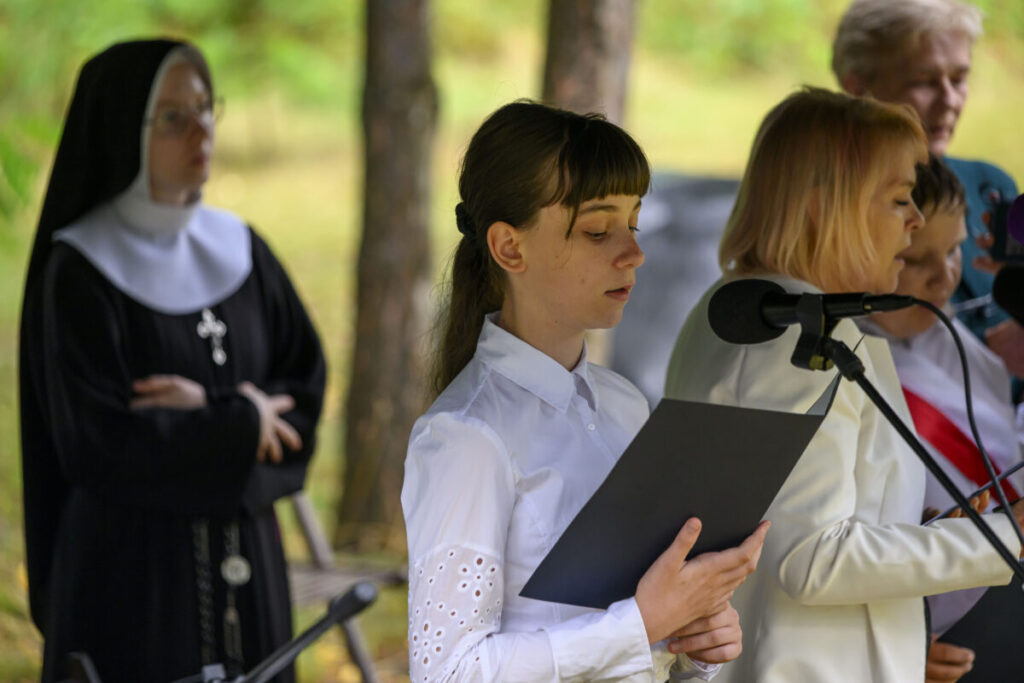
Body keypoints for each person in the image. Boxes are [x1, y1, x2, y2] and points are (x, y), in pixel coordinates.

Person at [663, 87, 1024, 683]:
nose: (912, 222)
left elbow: (798, 523)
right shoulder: (794, 335)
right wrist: (1003, 537)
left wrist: (929, 529)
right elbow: (812, 558)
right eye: (899, 200)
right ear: (821, 206)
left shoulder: (745, 309)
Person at [401, 100, 770, 682]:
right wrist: (642, 625)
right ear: (509, 247)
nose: (634, 253)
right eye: (599, 230)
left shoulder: (624, 405)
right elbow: (448, 672)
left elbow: (641, 650)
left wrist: (691, 646)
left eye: (634, 224)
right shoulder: (466, 436)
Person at [18, 39, 326, 682]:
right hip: (133, 585)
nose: (201, 130)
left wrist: (208, 415)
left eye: (206, 108)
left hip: (253, 573)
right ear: (120, 130)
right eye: (173, 117)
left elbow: (304, 399)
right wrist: (241, 422)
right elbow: (97, 445)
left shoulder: (246, 251)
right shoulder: (80, 272)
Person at [864, 154, 1024, 682]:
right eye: (916, 258)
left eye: (954, 250)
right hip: (928, 631)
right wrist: (888, 636)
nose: (945, 277)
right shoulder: (842, 361)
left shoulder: (959, 341)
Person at [832, 0, 1024, 386]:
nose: (950, 100)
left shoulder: (990, 187)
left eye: (960, 78)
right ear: (857, 87)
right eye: (924, 80)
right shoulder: (833, 207)